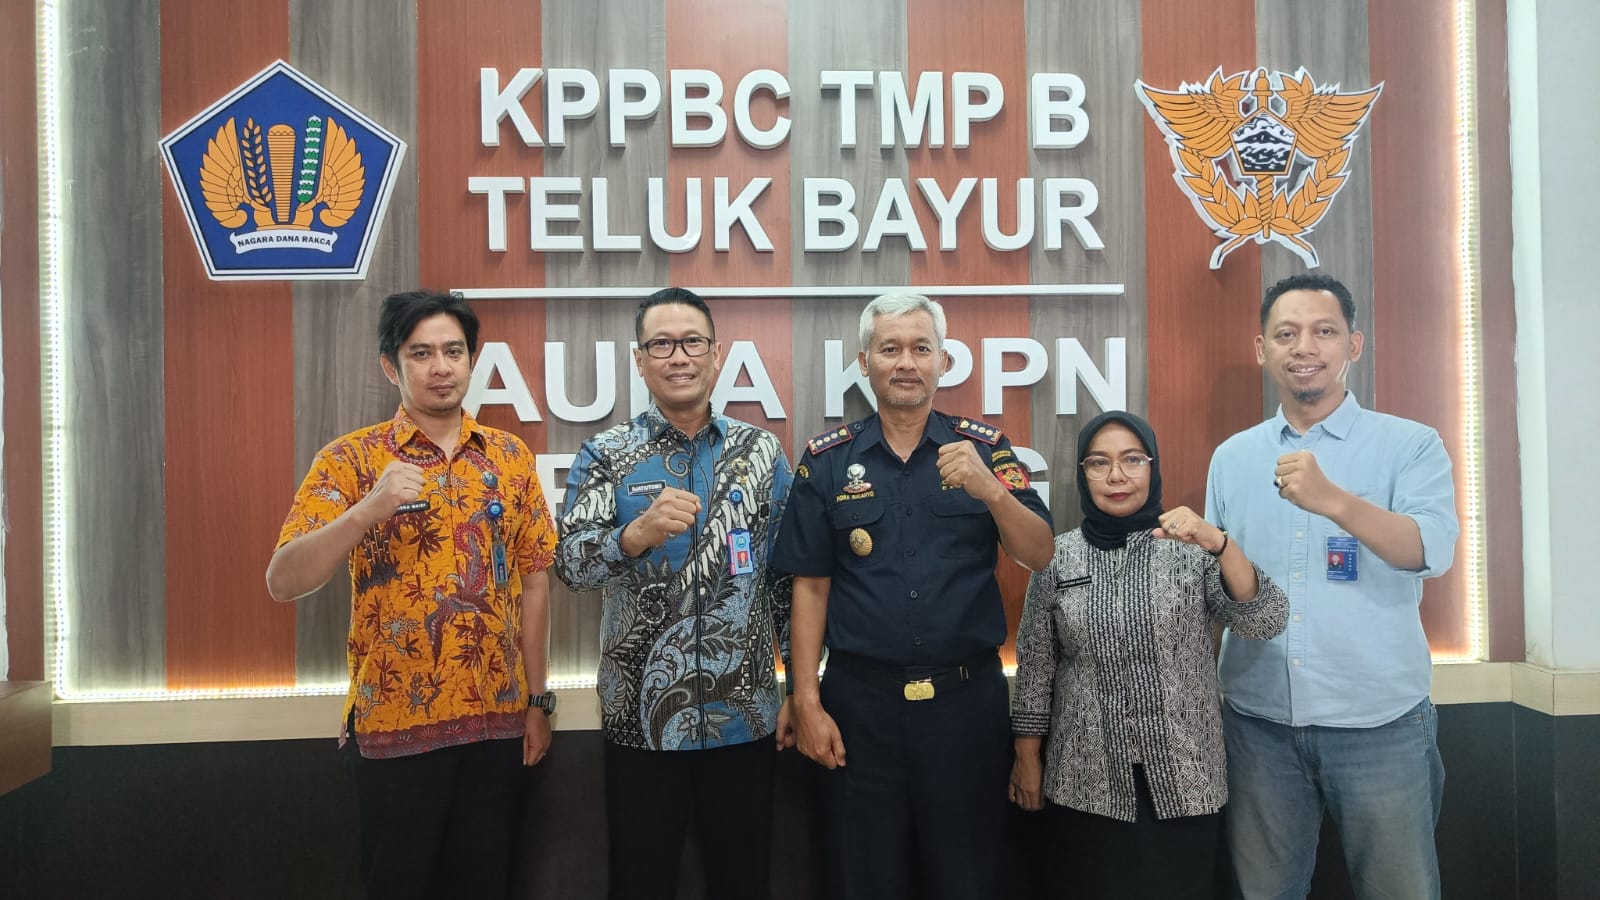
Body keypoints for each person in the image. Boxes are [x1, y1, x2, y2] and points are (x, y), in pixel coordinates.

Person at [265, 290, 558, 900]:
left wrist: (537, 701)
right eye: (420, 354)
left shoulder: (508, 458)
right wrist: (367, 511)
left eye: (453, 351)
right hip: (394, 731)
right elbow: (283, 580)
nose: (440, 367)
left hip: (496, 729)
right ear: (391, 367)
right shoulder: (352, 460)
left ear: (472, 358)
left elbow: (534, 583)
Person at [771, 292, 1054, 900]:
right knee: (863, 878)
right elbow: (810, 588)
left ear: (943, 362)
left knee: (967, 878)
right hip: (859, 709)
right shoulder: (826, 461)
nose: (906, 362)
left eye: (921, 348)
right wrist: (806, 699)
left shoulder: (985, 449)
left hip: (965, 706)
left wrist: (991, 491)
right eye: (890, 348)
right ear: (864, 361)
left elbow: (1039, 553)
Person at [1206, 273, 1460, 899]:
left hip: (1380, 725)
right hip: (1258, 725)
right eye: (1285, 334)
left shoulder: (1409, 445)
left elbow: (1430, 550)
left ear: (1354, 344)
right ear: (1261, 349)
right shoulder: (1233, 457)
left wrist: (1335, 501)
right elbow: (1217, 585)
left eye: (1324, 331)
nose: (1304, 347)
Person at [554, 287, 794, 900]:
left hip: (744, 713)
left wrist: (800, 687)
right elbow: (570, 567)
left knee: (743, 879)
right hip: (639, 721)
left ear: (717, 354)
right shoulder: (606, 454)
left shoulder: (761, 452)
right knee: (641, 880)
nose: (678, 356)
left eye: (691, 342)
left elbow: (787, 581)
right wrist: (631, 537)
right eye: (661, 344)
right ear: (640, 360)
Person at [1009, 410, 1288, 898]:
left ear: (1153, 466)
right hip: (1085, 779)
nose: (1116, 475)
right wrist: (1026, 757)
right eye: (1099, 462)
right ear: (1082, 474)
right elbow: (1035, 668)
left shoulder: (1192, 550)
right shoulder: (1056, 558)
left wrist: (1220, 544)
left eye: (1132, 459)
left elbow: (1264, 620)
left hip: (1185, 777)